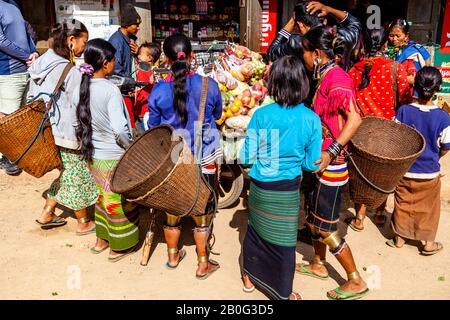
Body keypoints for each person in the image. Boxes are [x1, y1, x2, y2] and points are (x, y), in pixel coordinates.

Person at [239, 55, 322, 300]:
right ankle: (282, 291)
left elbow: (245, 158)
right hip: (287, 189)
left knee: (255, 230)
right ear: (303, 84)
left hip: (261, 186)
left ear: (273, 83)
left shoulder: (261, 116)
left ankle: (248, 276)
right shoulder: (311, 119)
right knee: (285, 242)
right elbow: (310, 164)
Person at [297, 26, 368, 300]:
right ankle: (318, 264)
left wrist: (331, 152)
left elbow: (355, 119)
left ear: (316, 53)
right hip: (320, 162)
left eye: (304, 51)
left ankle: (355, 278)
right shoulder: (325, 76)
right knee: (315, 220)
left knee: (326, 226)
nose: (302, 57)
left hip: (332, 164)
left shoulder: (336, 79)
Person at [147, 34, 222, 279]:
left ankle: (172, 256)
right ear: (191, 56)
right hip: (205, 155)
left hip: (174, 160)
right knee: (203, 206)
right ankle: (203, 263)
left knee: (173, 205)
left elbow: (155, 129)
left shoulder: (158, 90)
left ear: (166, 60)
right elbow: (218, 114)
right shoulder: (210, 85)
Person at [28, 20, 98, 234]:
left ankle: (47, 211)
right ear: (71, 41)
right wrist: (81, 134)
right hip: (67, 133)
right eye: (83, 42)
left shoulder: (41, 62)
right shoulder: (70, 71)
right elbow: (78, 108)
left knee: (67, 173)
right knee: (77, 175)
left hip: (46, 130)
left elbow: (31, 96)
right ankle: (83, 222)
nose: (84, 47)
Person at [74, 38, 139, 262]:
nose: (114, 64)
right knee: (117, 202)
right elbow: (120, 130)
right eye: (112, 60)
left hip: (93, 155)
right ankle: (118, 246)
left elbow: (78, 125)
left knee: (102, 199)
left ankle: (101, 240)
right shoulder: (110, 90)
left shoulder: (81, 87)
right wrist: (131, 148)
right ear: (105, 63)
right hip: (113, 156)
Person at [347, 27, 412, 231]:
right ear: (385, 44)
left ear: (363, 44)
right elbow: (405, 99)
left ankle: (359, 216)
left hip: (360, 129)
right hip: (387, 130)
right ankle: (380, 212)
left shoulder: (354, 69)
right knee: (383, 171)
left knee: (362, 172)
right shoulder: (395, 68)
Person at [388, 67, 449, 255]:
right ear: (437, 88)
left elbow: (394, 138)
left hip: (405, 170)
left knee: (403, 203)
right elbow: (446, 145)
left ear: (415, 85)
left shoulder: (404, 111)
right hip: (429, 172)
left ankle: (399, 238)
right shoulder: (443, 117)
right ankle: (428, 244)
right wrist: (436, 157)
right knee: (429, 209)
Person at [0, 0, 38, 175]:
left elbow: (25, 32)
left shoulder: (14, 4)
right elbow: (0, 40)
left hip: (24, 68)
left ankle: (15, 154)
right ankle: (5, 157)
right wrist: (25, 55)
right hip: (8, 71)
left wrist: (34, 51)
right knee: (8, 117)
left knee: (20, 115)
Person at [268, 0, 361, 71]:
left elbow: (271, 53)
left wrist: (293, 20)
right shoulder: (344, 36)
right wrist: (329, 9)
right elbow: (354, 23)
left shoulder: (297, 43)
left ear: (300, 25)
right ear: (325, 21)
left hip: (313, 94)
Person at [109, 3, 142, 128]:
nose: (138, 28)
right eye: (136, 25)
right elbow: (116, 70)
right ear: (127, 25)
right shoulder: (117, 42)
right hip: (121, 92)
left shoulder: (129, 39)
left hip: (127, 89)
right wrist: (130, 85)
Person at [385, 18, 430, 87]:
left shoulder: (412, 51)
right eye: (391, 35)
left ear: (406, 35)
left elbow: (413, 78)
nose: (394, 39)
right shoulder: (385, 48)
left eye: (398, 36)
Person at [135, 42, 161, 126]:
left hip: (143, 109)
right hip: (149, 109)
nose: (138, 56)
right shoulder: (154, 71)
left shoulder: (143, 71)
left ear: (149, 58)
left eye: (140, 54)